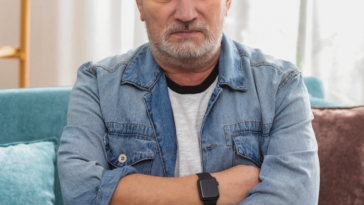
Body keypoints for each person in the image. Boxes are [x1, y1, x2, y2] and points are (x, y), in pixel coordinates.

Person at [57, 0, 320, 204]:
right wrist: (213, 189)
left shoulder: (281, 86)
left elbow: (295, 198)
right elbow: (80, 193)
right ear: (140, 5)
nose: (185, 14)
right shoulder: (96, 84)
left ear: (227, 2)